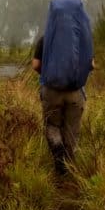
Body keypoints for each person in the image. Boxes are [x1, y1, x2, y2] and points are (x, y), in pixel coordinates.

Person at [32, 35, 94, 176]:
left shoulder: (45, 38)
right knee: (72, 130)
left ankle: (59, 160)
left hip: (51, 91)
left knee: (52, 126)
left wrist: (47, 74)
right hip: (75, 92)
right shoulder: (81, 39)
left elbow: (35, 65)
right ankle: (70, 169)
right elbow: (91, 64)